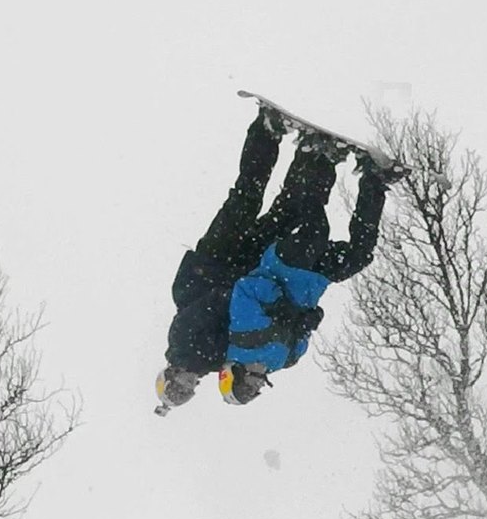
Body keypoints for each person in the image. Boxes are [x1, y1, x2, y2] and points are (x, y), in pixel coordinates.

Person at [154, 105, 405, 415]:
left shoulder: (180, 342)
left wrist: (271, 305)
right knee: (288, 213)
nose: (189, 384)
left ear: (169, 374)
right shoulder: (219, 359)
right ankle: (314, 156)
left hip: (216, 259)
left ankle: (266, 131)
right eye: (188, 391)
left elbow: (217, 303)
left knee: (246, 197)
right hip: (244, 266)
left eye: (179, 385)